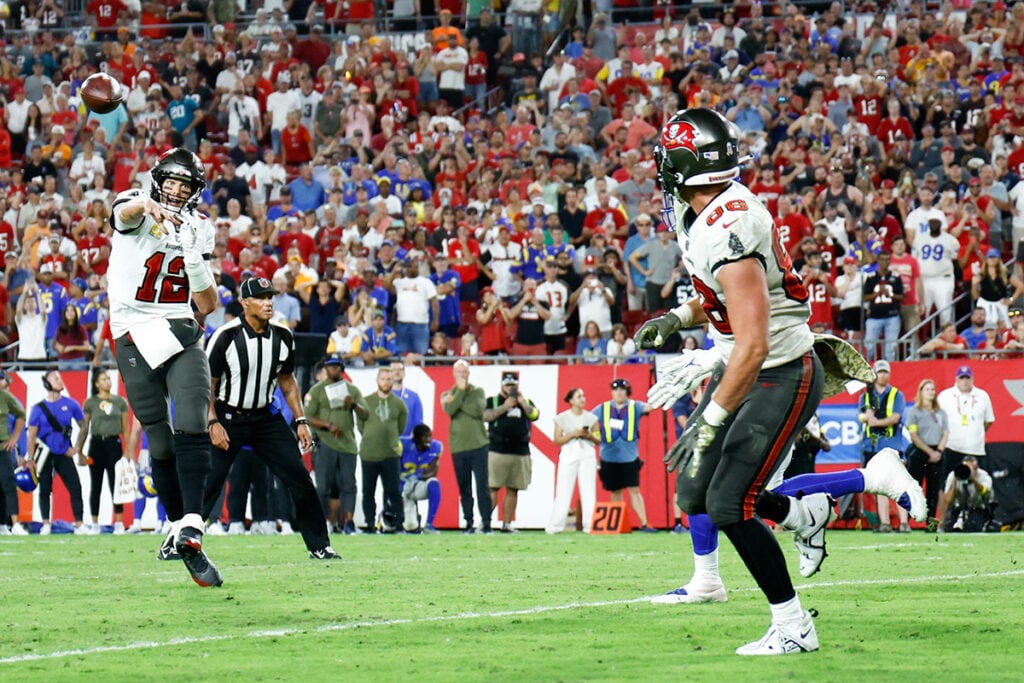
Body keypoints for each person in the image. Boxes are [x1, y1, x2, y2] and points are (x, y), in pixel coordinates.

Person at [635, 108, 874, 654]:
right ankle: (803, 511)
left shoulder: (726, 224)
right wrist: (680, 318)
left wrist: (711, 417)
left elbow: (753, 342)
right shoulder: (713, 212)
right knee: (694, 490)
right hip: (755, 368)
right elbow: (727, 299)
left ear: (680, 164)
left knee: (727, 503)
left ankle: (794, 626)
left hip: (780, 372)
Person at [109, 147, 222, 587]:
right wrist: (148, 204)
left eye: (185, 184)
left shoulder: (200, 228)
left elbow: (208, 304)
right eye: (170, 182)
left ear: (195, 192)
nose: (176, 190)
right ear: (157, 181)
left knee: (192, 419)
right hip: (131, 330)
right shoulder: (136, 202)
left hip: (177, 325)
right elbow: (125, 212)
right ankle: (178, 529)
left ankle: (191, 524)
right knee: (158, 439)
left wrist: (194, 260)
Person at [203, 277, 340, 560]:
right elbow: (208, 386)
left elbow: (288, 383)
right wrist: (212, 422)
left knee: (300, 478)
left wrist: (301, 421)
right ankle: (180, 537)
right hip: (229, 416)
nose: (268, 303)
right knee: (210, 481)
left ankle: (319, 545)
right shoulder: (226, 335)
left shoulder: (283, 335)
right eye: (261, 298)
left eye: (270, 297)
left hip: (266, 418)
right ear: (244, 303)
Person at [305, 355, 367, 535]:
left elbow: (365, 413)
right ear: (325, 368)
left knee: (349, 485)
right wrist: (328, 425)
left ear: (342, 369)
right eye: (330, 367)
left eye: (337, 367)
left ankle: (348, 522)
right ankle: (323, 521)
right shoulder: (316, 390)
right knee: (323, 486)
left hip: (347, 444)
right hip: (325, 443)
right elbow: (307, 416)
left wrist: (354, 404)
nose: (334, 370)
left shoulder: (352, 390)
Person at [25, 370, 87, 535]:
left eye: (60, 378)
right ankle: (46, 523)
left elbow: (84, 426)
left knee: (75, 487)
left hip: (64, 453)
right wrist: (30, 458)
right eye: (55, 379)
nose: (60, 381)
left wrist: (77, 448)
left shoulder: (71, 404)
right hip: (45, 455)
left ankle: (79, 524)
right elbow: (31, 436)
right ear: (47, 383)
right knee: (45, 488)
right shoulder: (38, 409)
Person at [592, 379, 657, 532]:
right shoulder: (603, 408)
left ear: (627, 391)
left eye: (622, 389)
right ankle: (617, 522)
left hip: (629, 457)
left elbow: (651, 407)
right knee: (615, 490)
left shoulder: (635, 406)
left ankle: (644, 522)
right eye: (616, 390)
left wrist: (661, 393)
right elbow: (589, 419)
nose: (619, 393)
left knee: (634, 490)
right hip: (608, 456)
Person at [75, 369, 131, 534]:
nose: (107, 381)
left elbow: (126, 429)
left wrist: (127, 451)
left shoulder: (120, 402)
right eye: (104, 379)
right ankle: (94, 523)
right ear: (97, 383)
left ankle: (119, 522)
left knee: (116, 483)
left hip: (114, 443)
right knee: (96, 484)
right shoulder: (90, 402)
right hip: (97, 444)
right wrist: (80, 450)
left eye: (108, 378)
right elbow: (85, 428)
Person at [483, 371, 539, 533]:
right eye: (507, 385)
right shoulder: (492, 401)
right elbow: (486, 416)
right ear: (502, 385)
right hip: (497, 450)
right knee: (493, 488)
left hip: (520, 451)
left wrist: (522, 402)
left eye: (513, 385)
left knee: (513, 489)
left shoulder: (525, 401)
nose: (510, 388)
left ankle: (507, 524)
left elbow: (535, 415)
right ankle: (485, 523)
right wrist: (504, 407)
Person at [441, 360, 493, 533]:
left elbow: (477, 411)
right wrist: (459, 395)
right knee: (464, 487)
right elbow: (449, 411)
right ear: (454, 374)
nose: (462, 375)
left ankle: (486, 522)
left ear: (469, 374)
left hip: (479, 444)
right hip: (458, 446)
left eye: (465, 372)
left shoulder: (478, 391)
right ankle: (468, 522)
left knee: (482, 486)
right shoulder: (446, 394)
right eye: (459, 372)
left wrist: (457, 397)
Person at [858, 360, 910, 532]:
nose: (883, 375)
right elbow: (862, 416)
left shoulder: (897, 394)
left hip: (891, 444)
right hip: (872, 446)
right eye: (880, 372)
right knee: (880, 485)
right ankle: (885, 522)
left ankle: (904, 522)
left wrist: (875, 422)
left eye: (885, 372)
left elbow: (895, 417)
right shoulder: (865, 396)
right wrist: (868, 417)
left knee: (898, 483)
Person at [357, 366, 408, 533]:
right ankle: (370, 524)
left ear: (393, 381)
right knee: (368, 491)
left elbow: (400, 427)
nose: (386, 382)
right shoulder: (365, 401)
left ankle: (397, 523)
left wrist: (390, 439)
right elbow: (361, 425)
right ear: (377, 380)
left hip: (390, 454)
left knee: (393, 491)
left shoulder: (399, 405)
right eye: (383, 379)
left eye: (389, 379)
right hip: (369, 454)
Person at [546, 387, 600, 534]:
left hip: (587, 453)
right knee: (563, 490)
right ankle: (555, 526)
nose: (582, 399)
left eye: (583, 396)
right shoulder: (561, 418)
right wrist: (572, 434)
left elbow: (598, 439)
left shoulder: (591, 418)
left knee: (589, 490)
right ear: (571, 401)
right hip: (569, 453)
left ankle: (590, 525)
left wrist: (588, 435)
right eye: (578, 396)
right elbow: (557, 440)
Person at [937, 365, 995, 481]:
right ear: (956, 379)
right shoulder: (944, 396)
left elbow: (989, 420)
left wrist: (977, 432)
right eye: (962, 378)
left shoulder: (982, 396)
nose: (965, 381)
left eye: (967, 378)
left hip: (975, 449)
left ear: (972, 379)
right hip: (952, 448)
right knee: (948, 483)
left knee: (978, 483)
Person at [905, 379, 949, 523]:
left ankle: (930, 521)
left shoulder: (941, 412)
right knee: (915, 486)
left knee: (933, 488)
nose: (931, 392)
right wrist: (930, 452)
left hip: (937, 450)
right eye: (927, 389)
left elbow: (945, 433)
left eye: (932, 389)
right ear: (921, 392)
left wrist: (939, 451)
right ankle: (907, 520)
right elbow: (913, 435)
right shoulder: (914, 412)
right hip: (920, 451)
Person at [400, 424, 443, 533]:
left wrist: (417, 478)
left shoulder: (436, 447)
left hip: (419, 484)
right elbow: (394, 470)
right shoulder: (403, 445)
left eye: (430, 436)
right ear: (416, 438)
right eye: (425, 437)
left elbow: (433, 471)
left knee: (434, 484)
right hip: (404, 486)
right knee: (410, 526)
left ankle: (429, 524)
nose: (429, 439)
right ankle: (389, 517)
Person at [0, 370, 28, 535]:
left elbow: (21, 416)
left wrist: (14, 439)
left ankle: (15, 524)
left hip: (3, 448)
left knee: (8, 484)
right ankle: (2, 523)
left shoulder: (6, 397)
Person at [936, 455, 994, 532]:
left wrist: (973, 479)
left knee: (973, 527)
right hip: (959, 507)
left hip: (978, 507)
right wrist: (955, 481)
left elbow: (983, 492)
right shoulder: (954, 475)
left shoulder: (983, 476)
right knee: (949, 528)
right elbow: (948, 501)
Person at [390, 360, 422, 437]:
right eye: (394, 370)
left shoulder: (414, 397)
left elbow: (418, 421)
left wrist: (412, 437)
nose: (397, 372)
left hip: (408, 441)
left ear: (404, 373)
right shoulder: (383, 396)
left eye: (400, 369)